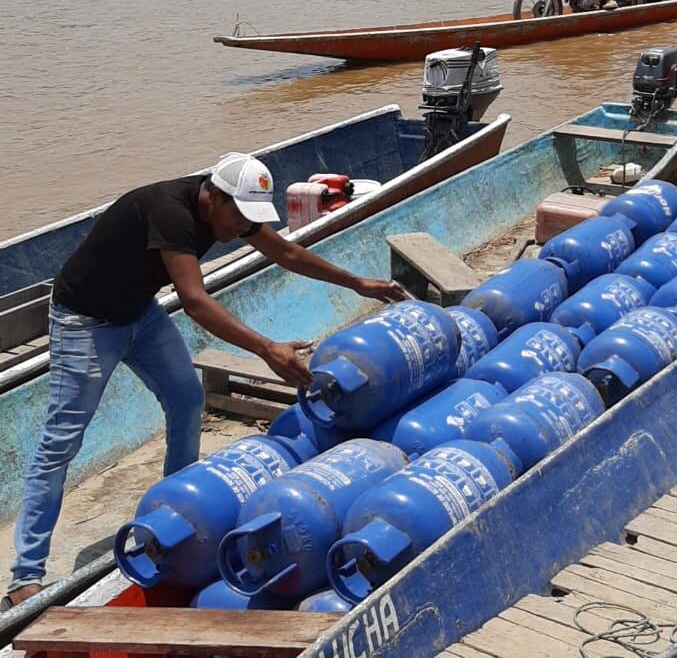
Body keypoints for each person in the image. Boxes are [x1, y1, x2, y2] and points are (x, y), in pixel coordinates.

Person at [4, 152, 404, 609]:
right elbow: (194, 301)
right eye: (239, 216)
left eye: (251, 218)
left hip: (138, 312)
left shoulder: (231, 209)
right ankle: (26, 574)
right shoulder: (171, 213)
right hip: (85, 322)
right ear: (214, 196)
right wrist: (266, 348)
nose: (243, 227)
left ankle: (178, 508)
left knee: (187, 399)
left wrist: (357, 284)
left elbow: (286, 252)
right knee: (62, 441)